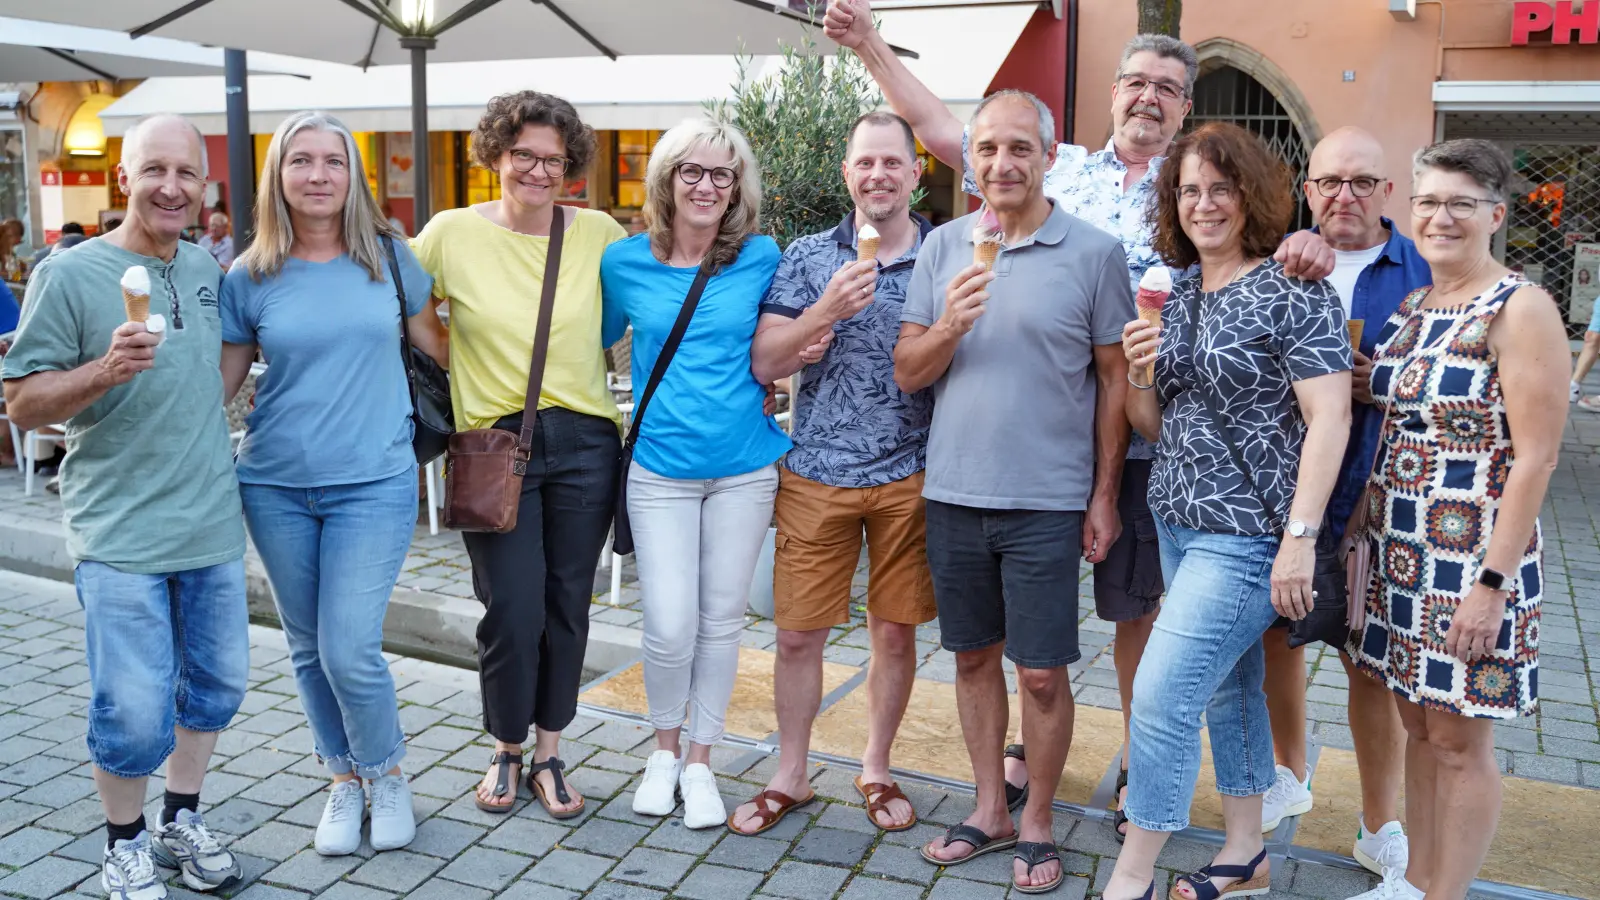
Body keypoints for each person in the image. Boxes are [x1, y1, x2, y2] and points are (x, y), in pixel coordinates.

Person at [826, 0, 1337, 833]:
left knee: (1139, 618)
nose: (1148, 97)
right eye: (1137, 81)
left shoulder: (1197, 187)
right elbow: (940, 125)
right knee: (1032, 645)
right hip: (1069, 437)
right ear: (1112, 91)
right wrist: (869, 44)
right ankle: (1030, 765)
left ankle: (1144, 762)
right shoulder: (1054, 169)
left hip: (1177, 450)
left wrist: (1303, 245)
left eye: (1167, 88)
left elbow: (1254, 244)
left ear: (1185, 104)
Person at [1, 113, 248, 900]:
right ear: (123, 179)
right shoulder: (68, 274)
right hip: (120, 530)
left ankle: (180, 818)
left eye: (186, 173)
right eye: (154, 171)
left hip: (210, 522)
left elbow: (211, 379)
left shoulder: (209, 271)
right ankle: (125, 843)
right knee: (135, 708)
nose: (171, 187)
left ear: (204, 187)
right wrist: (103, 372)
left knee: (217, 686)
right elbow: (20, 404)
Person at [895, 90, 1133, 894]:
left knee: (1040, 672)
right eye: (987, 148)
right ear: (971, 159)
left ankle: (1039, 819)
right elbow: (908, 371)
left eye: (1019, 148)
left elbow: (1113, 381)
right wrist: (951, 325)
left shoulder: (1094, 253)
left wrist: (1103, 495)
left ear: (1048, 157)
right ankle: (990, 807)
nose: (1002, 164)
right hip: (954, 491)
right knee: (970, 659)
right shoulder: (944, 249)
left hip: (1047, 499)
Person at [1109, 122, 1352, 900]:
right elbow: (1154, 425)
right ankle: (1246, 856)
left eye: (1220, 188)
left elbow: (1331, 420)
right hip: (1177, 520)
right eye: (1188, 191)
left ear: (1251, 194)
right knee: (1229, 688)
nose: (1204, 204)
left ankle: (1132, 872)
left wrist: (1300, 542)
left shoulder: (1295, 288)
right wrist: (1139, 372)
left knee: (1160, 693)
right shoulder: (1176, 291)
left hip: (1249, 536)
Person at [220, 111, 450, 857]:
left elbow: (442, 349)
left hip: (374, 483)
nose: (318, 175)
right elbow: (216, 389)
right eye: (301, 161)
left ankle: (386, 772)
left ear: (353, 176)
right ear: (277, 176)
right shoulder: (247, 275)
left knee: (350, 648)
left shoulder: (389, 258)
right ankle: (341, 780)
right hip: (274, 485)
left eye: (334, 161)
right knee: (308, 647)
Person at [1346, 140, 1567, 900]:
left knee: (1459, 740)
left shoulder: (1520, 306)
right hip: (1401, 555)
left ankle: (1448, 893)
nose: (1440, 217)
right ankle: (1412, 882)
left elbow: (1537, 458)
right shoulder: (1415, 305)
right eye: (1428, 202)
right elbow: (1396, 414)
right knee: (1416, 729)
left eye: (1460, 204)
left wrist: (1492, 585)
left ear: (1496, 216)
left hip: (1473, 558)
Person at [412, 91, 626, 819]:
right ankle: (505, 746)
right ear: (496, 156)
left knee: (568, 602)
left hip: (586, 442)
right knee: (510, 604)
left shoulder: (596, 231)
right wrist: (451, 356)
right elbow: (408, 300)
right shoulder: (448, 233)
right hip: (493, 444)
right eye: (524, 155)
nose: (539, 170)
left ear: (571, 168)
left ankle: (550, 750)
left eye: (554, 160)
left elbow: (636, 309)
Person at [729, 111, 937, 837]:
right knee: (796, 636)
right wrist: (823, 310)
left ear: (916, 172)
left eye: (892, 162)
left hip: (912, 474)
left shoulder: (944, 255)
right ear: (846, 174)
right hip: (817, 470)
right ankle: (791, 772)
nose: (878, 175)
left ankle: (876, 767)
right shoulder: (809, 255)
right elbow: (766, 360)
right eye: (864, 163)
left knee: (895, 634)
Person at [602, 118, 790, 830]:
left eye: (722, 174)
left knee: (719, 623)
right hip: (659, 470)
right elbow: (588, 342)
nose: (707, 186)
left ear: (736, 186)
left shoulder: (761, 256)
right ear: (667, 180)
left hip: (744, 469)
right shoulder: (622, 263)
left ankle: (702, 760)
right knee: (669, 621)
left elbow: (778, 342)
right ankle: (662, 750)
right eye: (692, 171)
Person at [1257, 128, 1431, 873]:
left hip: (1382, 498)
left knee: (1370, 665)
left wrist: (1381, 385)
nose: (1344, 196)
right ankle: (1287, 776)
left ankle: (1377, 820)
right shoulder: (1283, 264)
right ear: (1308, 189)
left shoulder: (1424, 271)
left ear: (1388, 194)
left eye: (1362, 182)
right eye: (1329, 182)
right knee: (1277, 640)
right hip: (1282, 491)